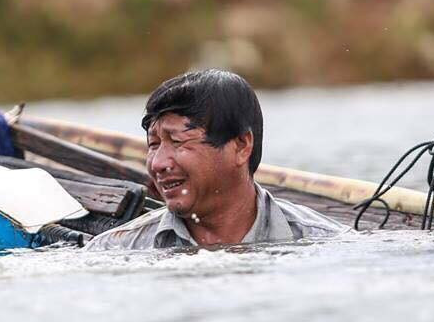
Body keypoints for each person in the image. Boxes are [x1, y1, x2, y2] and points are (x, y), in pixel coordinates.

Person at [84, 70, 348, 250]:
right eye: (153, 145)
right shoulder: (115, 249)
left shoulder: (326, 243)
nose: (158, 164)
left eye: (178, 142)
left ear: (241, 145)